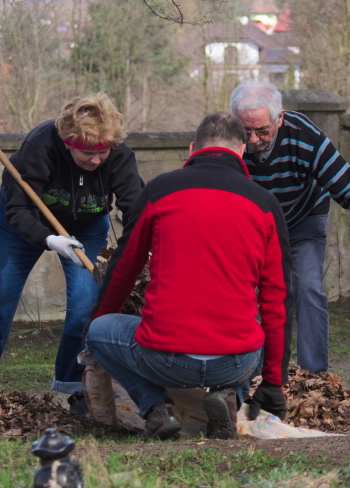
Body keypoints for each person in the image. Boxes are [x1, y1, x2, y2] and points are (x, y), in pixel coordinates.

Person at [85, 112, 292, 440]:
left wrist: (102, 317)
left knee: (97, 332)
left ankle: (156, 407)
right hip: (236, 362)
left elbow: (124, 268)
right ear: (241, 151)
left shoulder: (158, 191)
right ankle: (230, 398)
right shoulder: (265, 204)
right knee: (261, 326)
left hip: (164, 359)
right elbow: (276, 298)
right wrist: (273, 382)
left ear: (193, 147)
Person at [0, 93, 143, 409]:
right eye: (87, 153)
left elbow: (136, 211)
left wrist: (141, 252)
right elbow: (18, 209)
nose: (96, 160)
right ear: (67, 142)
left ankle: (75, 388)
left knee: (85, 306)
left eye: (102, 152)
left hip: (88, 227)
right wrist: (51, 240)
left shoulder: (117, 154)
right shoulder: (40, 146)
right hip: (22, 223)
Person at [230, 80, 350, 374]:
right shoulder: (229, 141)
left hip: (303, 216)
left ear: (279, 118)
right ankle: (261, 374)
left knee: (306, 286)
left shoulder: (305, 137)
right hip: (254, 227)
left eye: (263, 131)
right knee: (254, 294)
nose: (253, 139)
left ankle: (313, 376)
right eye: (246, 131)